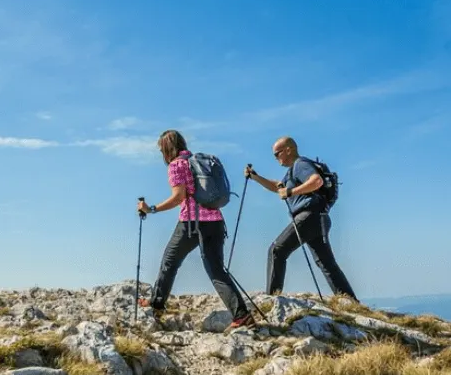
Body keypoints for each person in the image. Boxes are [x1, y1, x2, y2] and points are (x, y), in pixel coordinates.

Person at [136, 130, 255, 331]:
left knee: (169, 261)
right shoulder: (198, 161)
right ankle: (242, 316)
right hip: (216, 221)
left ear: (166, 149)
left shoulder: (177, 165)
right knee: (216, 269)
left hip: (191, 222)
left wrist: (151, 209)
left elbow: (178, 197)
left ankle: (157, 304)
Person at [243, 136, 358, 300]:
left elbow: (316, 181)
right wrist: (256, 177)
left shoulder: (300, 164)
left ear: (288, 150)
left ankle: (272, 297)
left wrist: (291, 192)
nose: (276, 158)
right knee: (326, 264)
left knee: (277, 251)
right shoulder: (292, 171)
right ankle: (351, 301)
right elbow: (278, 187)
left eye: (277, 154)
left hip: (308, 216)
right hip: (319, 218)